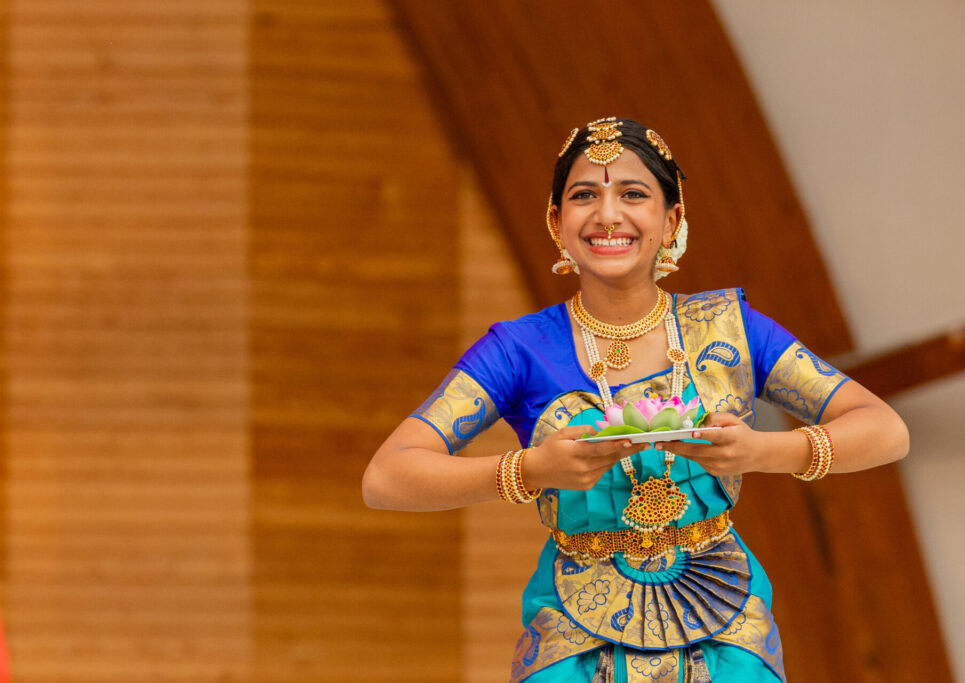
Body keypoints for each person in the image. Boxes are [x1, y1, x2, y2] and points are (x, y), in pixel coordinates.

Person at [362, 117, 909, 682]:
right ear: (556, 222)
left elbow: (885, 430)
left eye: (633, 193)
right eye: (583, 196)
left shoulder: (730, 330)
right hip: (573, 638)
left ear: (672, 219)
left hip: (723, 621)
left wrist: (761, 452)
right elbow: (386, 477)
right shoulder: (519, 350)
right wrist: (529, 469)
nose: (607, 215)